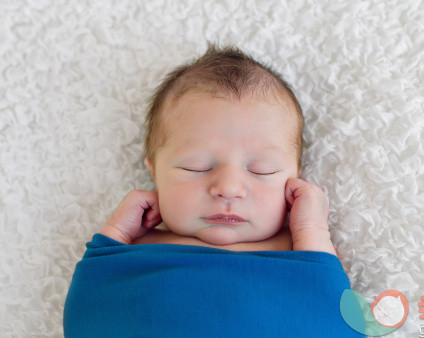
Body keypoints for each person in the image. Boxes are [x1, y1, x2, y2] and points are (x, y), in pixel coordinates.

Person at [64, 44, 363, 337]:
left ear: (294, 181)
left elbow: (335, 317)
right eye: (196, 167)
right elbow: (88, 314)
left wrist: (311, 228)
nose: (229, 188)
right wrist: (115, 234)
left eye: (262, 170)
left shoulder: (299, 249)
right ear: (154, 171)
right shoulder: (135, 248)